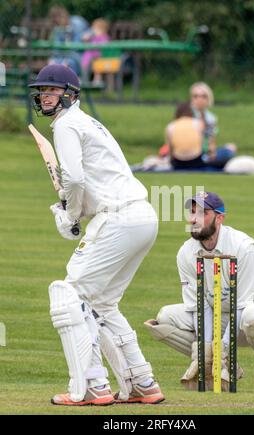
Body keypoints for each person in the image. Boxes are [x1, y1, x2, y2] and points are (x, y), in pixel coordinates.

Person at [28, 64, 164, 406]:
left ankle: (91, 386)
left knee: (70, 295)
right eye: (42, 90)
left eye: (51, 90)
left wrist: (71, 213)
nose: (45, 96)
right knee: (102, 303)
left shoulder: (67, 124)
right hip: (142, 215)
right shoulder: (88, 122)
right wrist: (72, 211)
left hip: (119, 218)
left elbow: (73, 180)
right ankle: (141, 382)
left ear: (69, 95)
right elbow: (92, 181)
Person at [145, 191, 254, 393]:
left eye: (202, 213)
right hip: (223, 315)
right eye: (192, 212)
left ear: (220, 218)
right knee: (165, 318)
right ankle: (220, 367)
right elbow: (199, 307)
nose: (193, 219)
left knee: (253, 316)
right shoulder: (186, 252)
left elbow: (242, 304)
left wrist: (222, 347)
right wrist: (205, 350)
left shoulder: (244, 247)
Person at [81, 18, 110, 85]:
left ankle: (97, 79)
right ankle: (84, 79)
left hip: (100, 56)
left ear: (103, 30)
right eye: (94, 28)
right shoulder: (92, 37)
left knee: (97, 66)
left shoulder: (104, 37)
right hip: (90, 56)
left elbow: (105, 44)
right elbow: (85, 43)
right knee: (84, 63)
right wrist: (86, 38)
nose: (94, 30)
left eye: (97, 29)